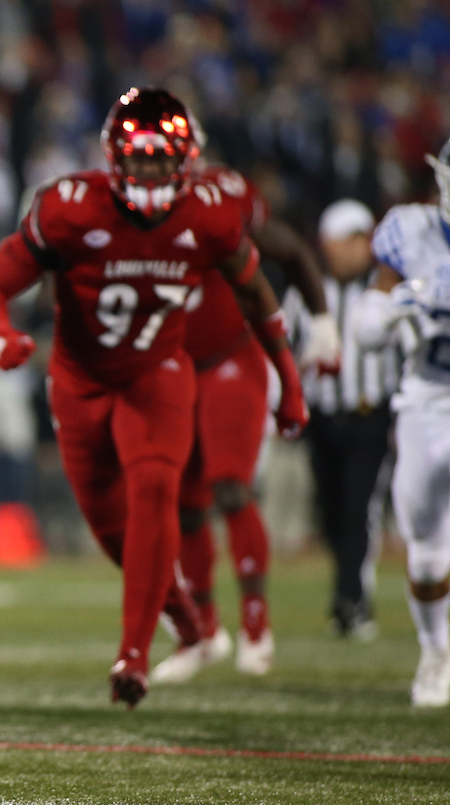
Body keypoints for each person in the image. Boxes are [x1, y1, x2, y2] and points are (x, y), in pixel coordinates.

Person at [0, 87, 307, 707]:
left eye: (163, 158)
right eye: (140, 156)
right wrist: (0, 331)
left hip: (157, 371)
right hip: (79, 381)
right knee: (112, 532)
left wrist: (289, 381)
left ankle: (133, 655)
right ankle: (189, 621)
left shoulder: (210, 212)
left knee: (156, 488)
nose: (151, 169)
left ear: (186, 159)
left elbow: (256, 295)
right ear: (114, 157)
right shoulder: (70, 206)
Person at [156, 163, 336, 682]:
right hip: (169, 367)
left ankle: (256, 625)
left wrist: (322, 324)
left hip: (228, 358)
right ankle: (206, 632)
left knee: (231, 488)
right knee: (183, 506)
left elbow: (292, 251)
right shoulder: (108, 209)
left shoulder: (219, 198)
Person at [353, 138, 450, 707]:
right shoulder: (411, 231)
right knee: (428, 550)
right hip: (426, 403)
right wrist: (394, 310)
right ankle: (436, 653)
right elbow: (366, 329)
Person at [305, 199, 398, 641]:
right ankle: (347, 596)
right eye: (349, 241)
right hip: (321, 416)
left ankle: (352, 601)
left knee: (359, 511)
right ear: (328, 245)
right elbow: (283, 347)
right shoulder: (306, 289)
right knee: (330, 512)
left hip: (369, 414)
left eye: (362, 240)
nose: (358, 250)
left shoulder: (385, 287)